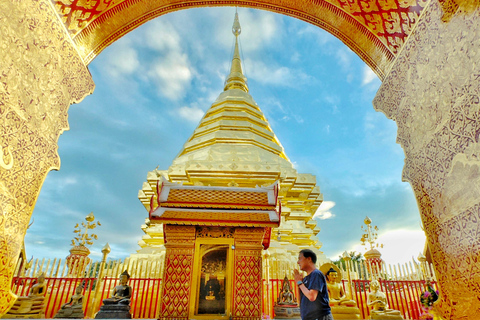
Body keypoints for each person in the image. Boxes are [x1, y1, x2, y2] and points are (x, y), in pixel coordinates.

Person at [293, 249, 333, 320]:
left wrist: (300, 283)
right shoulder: (305, 279)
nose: (298, 262)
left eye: (300, 259)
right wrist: (298, 283)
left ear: (308, 259)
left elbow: (312, 296)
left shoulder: (316, 274)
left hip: (320, 316)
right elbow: (300, 301)